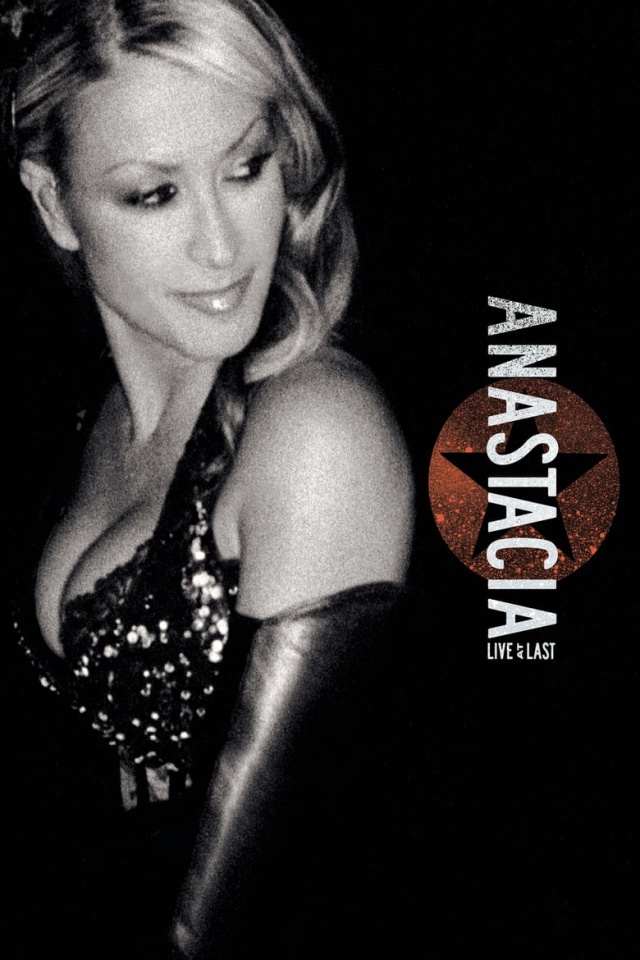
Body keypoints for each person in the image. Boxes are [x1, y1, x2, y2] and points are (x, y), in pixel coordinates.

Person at [3, 0, 415, 956]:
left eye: (246, 167)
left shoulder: (315, 432)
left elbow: (260, 918)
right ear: (54, 203)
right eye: (156, 195)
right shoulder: (84, 418)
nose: (223, 247)